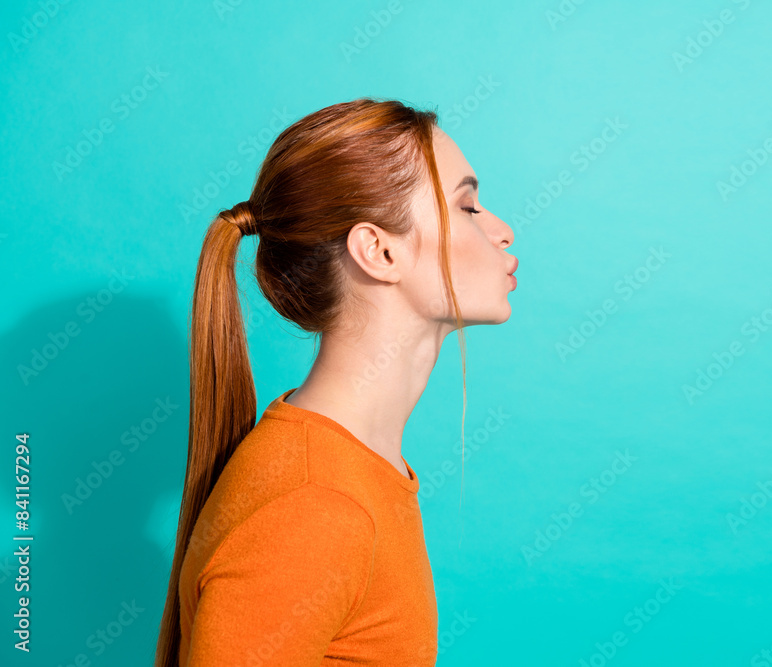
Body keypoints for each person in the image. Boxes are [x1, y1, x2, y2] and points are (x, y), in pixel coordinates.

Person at [154, 97, 518, 666]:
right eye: (468, 208)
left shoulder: (352, 470)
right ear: (378, 250)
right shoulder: (316, 503)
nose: (502, 230)